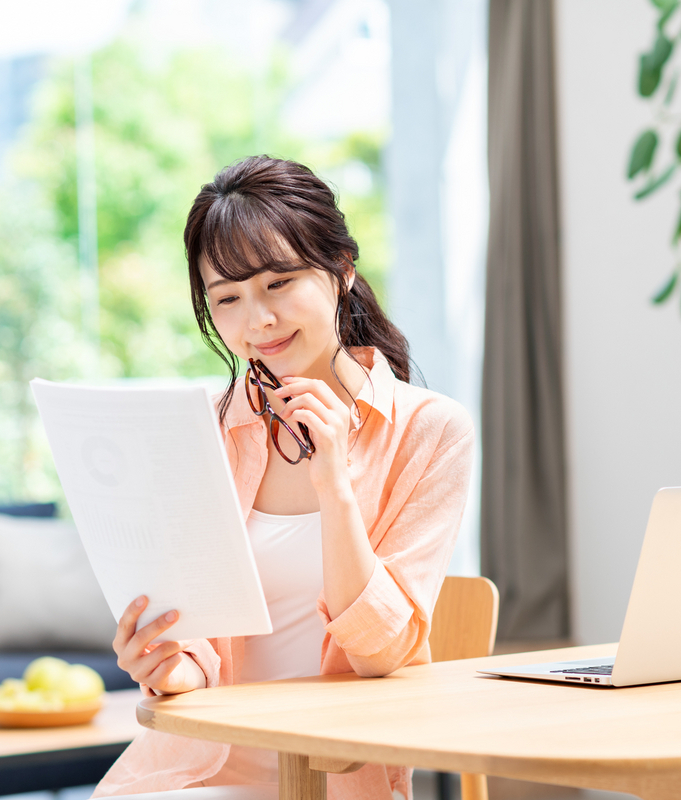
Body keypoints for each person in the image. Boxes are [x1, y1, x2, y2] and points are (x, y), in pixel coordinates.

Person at [93, 156, 474, 800]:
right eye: (228, 299)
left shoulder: (429, 431)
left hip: (334, 775)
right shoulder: (205, 432)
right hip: (200, 767)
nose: (257, 321)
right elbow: (196, 639)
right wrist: (168, 668)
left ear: (342, 271)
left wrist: (335, 484)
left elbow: (380, 656)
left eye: (278, 283)